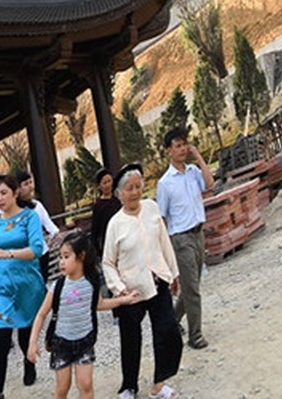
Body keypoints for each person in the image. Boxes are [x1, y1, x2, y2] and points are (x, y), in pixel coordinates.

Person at [26, 231, 140, 399]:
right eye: (60, 257)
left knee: (86, 386)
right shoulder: (57, 287)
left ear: (81, 256)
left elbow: (99, 305)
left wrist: (124, 300)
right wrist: (32, 343)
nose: (61, 262)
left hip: (85, 342)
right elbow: (41, 315)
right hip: (61, 344)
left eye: (66, 257)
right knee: (62, 388)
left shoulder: (91, 283)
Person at [103, 163, 182, 399]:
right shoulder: (115, 224)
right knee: (131, 340)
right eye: (129, 188)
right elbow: (108, 263)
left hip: (158, 281)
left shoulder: (151, 208)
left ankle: (159, 383)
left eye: (138, 186)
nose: (135, 192)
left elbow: (164, 242)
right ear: (119, 193)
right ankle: (129, 386)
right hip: (131, 292)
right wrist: (119, 289)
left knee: (168, 331)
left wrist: (173, 273)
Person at [0, 173, 46, 399]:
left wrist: (8, 253)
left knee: (24, 334)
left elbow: (37, 250)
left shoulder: (30, 217)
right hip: (2, 288)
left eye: (3, 193)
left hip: (27, 286)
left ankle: (29, 365)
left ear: (15, 193)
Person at [156, 127, 214, 350]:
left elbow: (209, 185)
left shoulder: (192, 172)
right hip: (181, 238)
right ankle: (195, 335)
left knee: (191, 286)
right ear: (169, 151)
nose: (182, 149)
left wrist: (198, 157)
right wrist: (166, 250)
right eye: (177, 146)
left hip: (199, 233)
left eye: (184, 144)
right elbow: (161, 217)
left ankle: (171, 319)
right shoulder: (165, 183)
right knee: (193, 290)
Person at [17, 170, 61, 280]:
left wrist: (56, 234)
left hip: (41, 251)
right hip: (25, 254)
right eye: (25, 184)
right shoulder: (15, 210)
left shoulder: (37, 205)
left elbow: (48, 223)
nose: (30, 186)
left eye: (30, 182)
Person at [89, 168, 120, 259]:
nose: (108, 185)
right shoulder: (98, 205)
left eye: (109, 181)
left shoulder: (117, 201)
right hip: (107, 241)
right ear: (99, 186)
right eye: (104, 183)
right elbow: (95, 229)